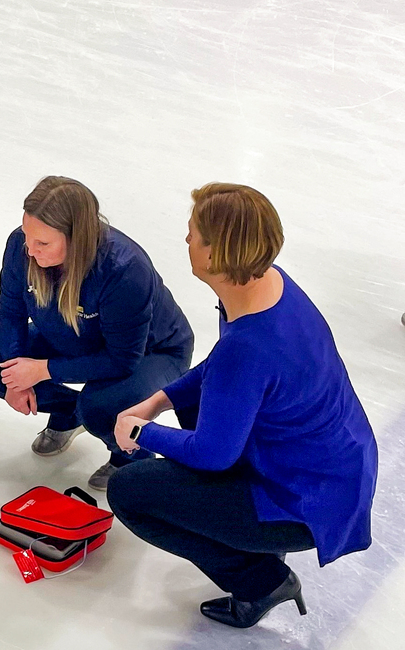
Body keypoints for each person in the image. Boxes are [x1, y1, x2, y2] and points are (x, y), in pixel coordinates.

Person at [107, 183, 378, 628]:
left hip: (305, 499)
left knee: (130, 492)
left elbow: (214, 454)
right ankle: (256, 543)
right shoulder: (268, 284)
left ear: (217, 255)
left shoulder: (250, 347)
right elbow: (223, 369)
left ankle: (261, 581)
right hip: (333, 467)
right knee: (194, 409)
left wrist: (139, 431)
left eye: (194, 233)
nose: (187, 240)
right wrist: (158, 401)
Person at [0, 176, 194, 489]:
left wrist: (43, 369)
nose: (30, 251)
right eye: (27, 237)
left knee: (100, 406)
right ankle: (69, 414)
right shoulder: (22, 247)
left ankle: (131, 456)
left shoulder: (124, 269)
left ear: (76, 238)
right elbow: (10, 310)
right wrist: (16, 372)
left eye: (43, 243)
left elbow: (121, 360)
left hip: (152, 352)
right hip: (71, 332)